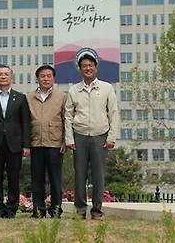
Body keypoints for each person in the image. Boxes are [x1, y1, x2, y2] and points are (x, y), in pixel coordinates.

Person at [65, 50, 118, 221]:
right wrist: (69, 139)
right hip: (79, 136)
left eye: (90, 65)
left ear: (96, 68)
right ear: (80, 69)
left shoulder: (106, 88)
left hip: (100, 137)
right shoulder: (74, 90)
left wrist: (111, 137)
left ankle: (97, 211)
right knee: (79, 175)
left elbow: (114, 114)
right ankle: (80, 211)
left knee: (98, 175)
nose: (87, 68)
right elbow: (68, 115)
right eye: (84, 66)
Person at [0, 64, 30, 219]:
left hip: (15, 144)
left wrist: (26, 145)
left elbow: (25, 123)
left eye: (6, 74)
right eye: (0, 74)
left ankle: (11, 208)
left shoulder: (21, 97)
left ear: (11, 77)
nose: (3, 76)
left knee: (13, 178)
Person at [27, 64, 66, 218]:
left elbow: (66, 120)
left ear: (53, 78)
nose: (46, 79)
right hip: (36, 143)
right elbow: (25, 121)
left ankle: (56, 210)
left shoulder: (62, 96)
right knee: (37, 180)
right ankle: (38, 209)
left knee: (56, 180)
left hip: (55, 144)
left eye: (49, 76)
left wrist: (65, 141)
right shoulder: (29, 97)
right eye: (42, 76)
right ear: (38, 78)